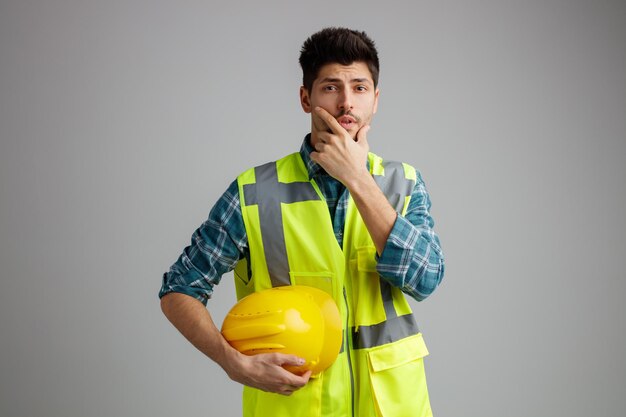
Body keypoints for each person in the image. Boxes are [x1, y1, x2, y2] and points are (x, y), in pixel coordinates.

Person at [159, 27, 445, 417]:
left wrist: (358, 178)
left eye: (360, 88)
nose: (346, 103)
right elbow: (179, 289)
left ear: (375, 100)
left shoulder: (404, 183)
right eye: (331, 87)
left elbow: (424, 279)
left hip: (393, 407)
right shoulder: (253, 192)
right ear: (305, 98)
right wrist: (234, 364)